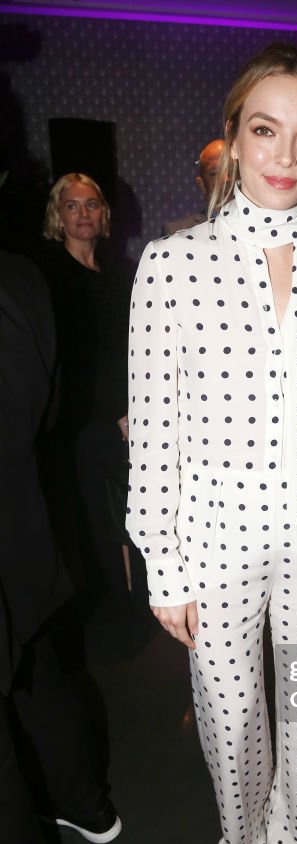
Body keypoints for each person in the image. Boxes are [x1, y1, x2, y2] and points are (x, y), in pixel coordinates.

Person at [126, 43, 297, 844]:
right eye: (265, 131)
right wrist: (164, 563)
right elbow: (154, 435)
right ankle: (243, 839)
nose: (284, 157)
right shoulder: (172, 263)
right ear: (232, 138)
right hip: (216, 537)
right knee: (231, 721)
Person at [0, 251, 121, 844]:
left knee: (36, 675)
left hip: (24, 524)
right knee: (36, 678)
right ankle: (81, 802)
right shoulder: (24, 276)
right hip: (23, 528)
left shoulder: (21, 280)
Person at [39, 172, 133, 624]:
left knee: (134, 513)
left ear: (104, 213)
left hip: (132, 416)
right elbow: (71, 362)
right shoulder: (51, 276)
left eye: (91, 204)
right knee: (99, 523)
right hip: (85, 423)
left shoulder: (121, 272)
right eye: (72, 206)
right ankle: (117, 616)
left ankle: (141, 604)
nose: (83, 214)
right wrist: (115, 413)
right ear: (58, 215)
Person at [162, 138, 224, 234]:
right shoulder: (178, 233)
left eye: (233, 170)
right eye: (215, 173)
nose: (227, 179)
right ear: (202, 184)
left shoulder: (254, 226)